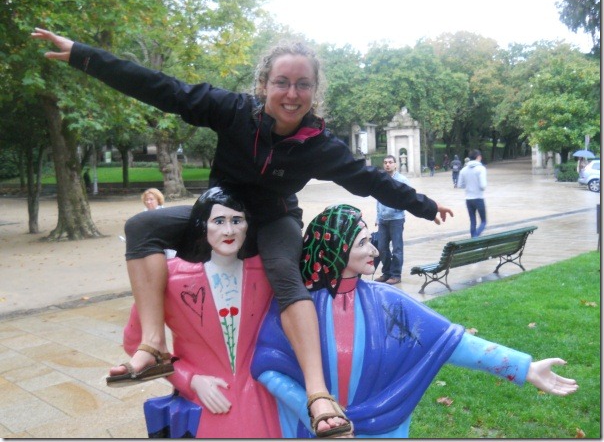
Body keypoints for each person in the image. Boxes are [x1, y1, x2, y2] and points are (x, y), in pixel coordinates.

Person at [32, 28, 453, 437]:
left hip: (274, 219)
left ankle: (318, 394)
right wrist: (84, 55)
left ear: (314, 90)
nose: (292, 94)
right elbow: (161, 88)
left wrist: (426, 205)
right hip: (221, 214)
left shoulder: (319, 144)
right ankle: (154, 344)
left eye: (303, 84)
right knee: (142, 226)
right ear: (263, 84)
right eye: (282, 82)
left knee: (285, 273)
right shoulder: (232, 110)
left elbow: (370, 180)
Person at [251, 204, 578, 438]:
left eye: (370, 241)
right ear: (335, 249)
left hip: (380, 427)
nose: (375, 251)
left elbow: (451, 342)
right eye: (363, 243)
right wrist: (315, 413)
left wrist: (524, 368)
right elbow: (268, 365)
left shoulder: (388, 302)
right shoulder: (296, 307)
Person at [119, 187, 282, 438]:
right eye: (219, 221)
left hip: (262, 404)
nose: (229, 231)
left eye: (237, 221)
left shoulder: (269, 271)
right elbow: (134, 341)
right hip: (208, 409)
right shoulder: (170, 277)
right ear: (202, 225)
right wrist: (190, 380)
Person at [374, 155, 409, 285]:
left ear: (395, 164)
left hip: (396, 219)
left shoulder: (402, 180)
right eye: (385, 162)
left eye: (390, 162)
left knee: (397, 248)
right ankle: (387, 272)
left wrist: (396, 209)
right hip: (383, 219)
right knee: (382, 248)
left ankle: (396, 275)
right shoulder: (381, 179)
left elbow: (408, 198)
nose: (387, 165)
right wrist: (378, 216)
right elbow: (378, 199)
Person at [458, 149, 487, 237]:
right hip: (479, 198)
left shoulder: (463, 170)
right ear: (478, 157)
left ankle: (473, 238)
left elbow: (460, 185)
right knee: (483, 221)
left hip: (468, 199)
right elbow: (483, 186)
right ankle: (475, 238)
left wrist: (468, 185)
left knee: (473, 221)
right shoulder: (481, 169)